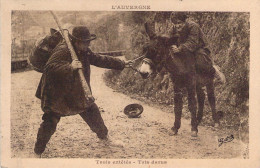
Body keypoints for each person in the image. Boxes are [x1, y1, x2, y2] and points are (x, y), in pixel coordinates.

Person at [34, 26, 132, 156]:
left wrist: (122, 64)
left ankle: (105, 137)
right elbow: (50, 68)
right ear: (76, 41)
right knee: (50, 121)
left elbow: (99, 59)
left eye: (88, 41)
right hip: (57, 93)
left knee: (92, 111)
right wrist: (70, 67)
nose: (88, 44)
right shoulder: (63, 50)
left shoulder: (84, 51)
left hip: (76, 91)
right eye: (85, 41)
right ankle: (37, 151)